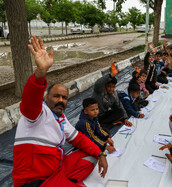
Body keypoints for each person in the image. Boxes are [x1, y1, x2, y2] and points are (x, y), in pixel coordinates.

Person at [12, 36, 108, 187]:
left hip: (57, 170)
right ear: (46, 98)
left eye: (64, 97)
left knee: (91, 157)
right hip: (36, 181)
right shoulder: (37, 113)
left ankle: (65, 181)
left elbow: (79, 139)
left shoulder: (61, 118)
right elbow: (29, 102)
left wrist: (100, 153)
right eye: (56, 96)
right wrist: (40, 72)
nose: (61, 100)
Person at [92, 62, 132, 130]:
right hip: (97, 116)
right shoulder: (99, 91)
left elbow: (119, 105)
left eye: (113, 87)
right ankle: (106, 125)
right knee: (95, 124)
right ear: (105, 86)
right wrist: (111, 75)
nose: (111, 89)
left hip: (105, 115)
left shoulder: (114, 93)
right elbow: (97, 84)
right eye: (109, 86)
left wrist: (125, 118)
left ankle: (107, 125)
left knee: (120, 111)